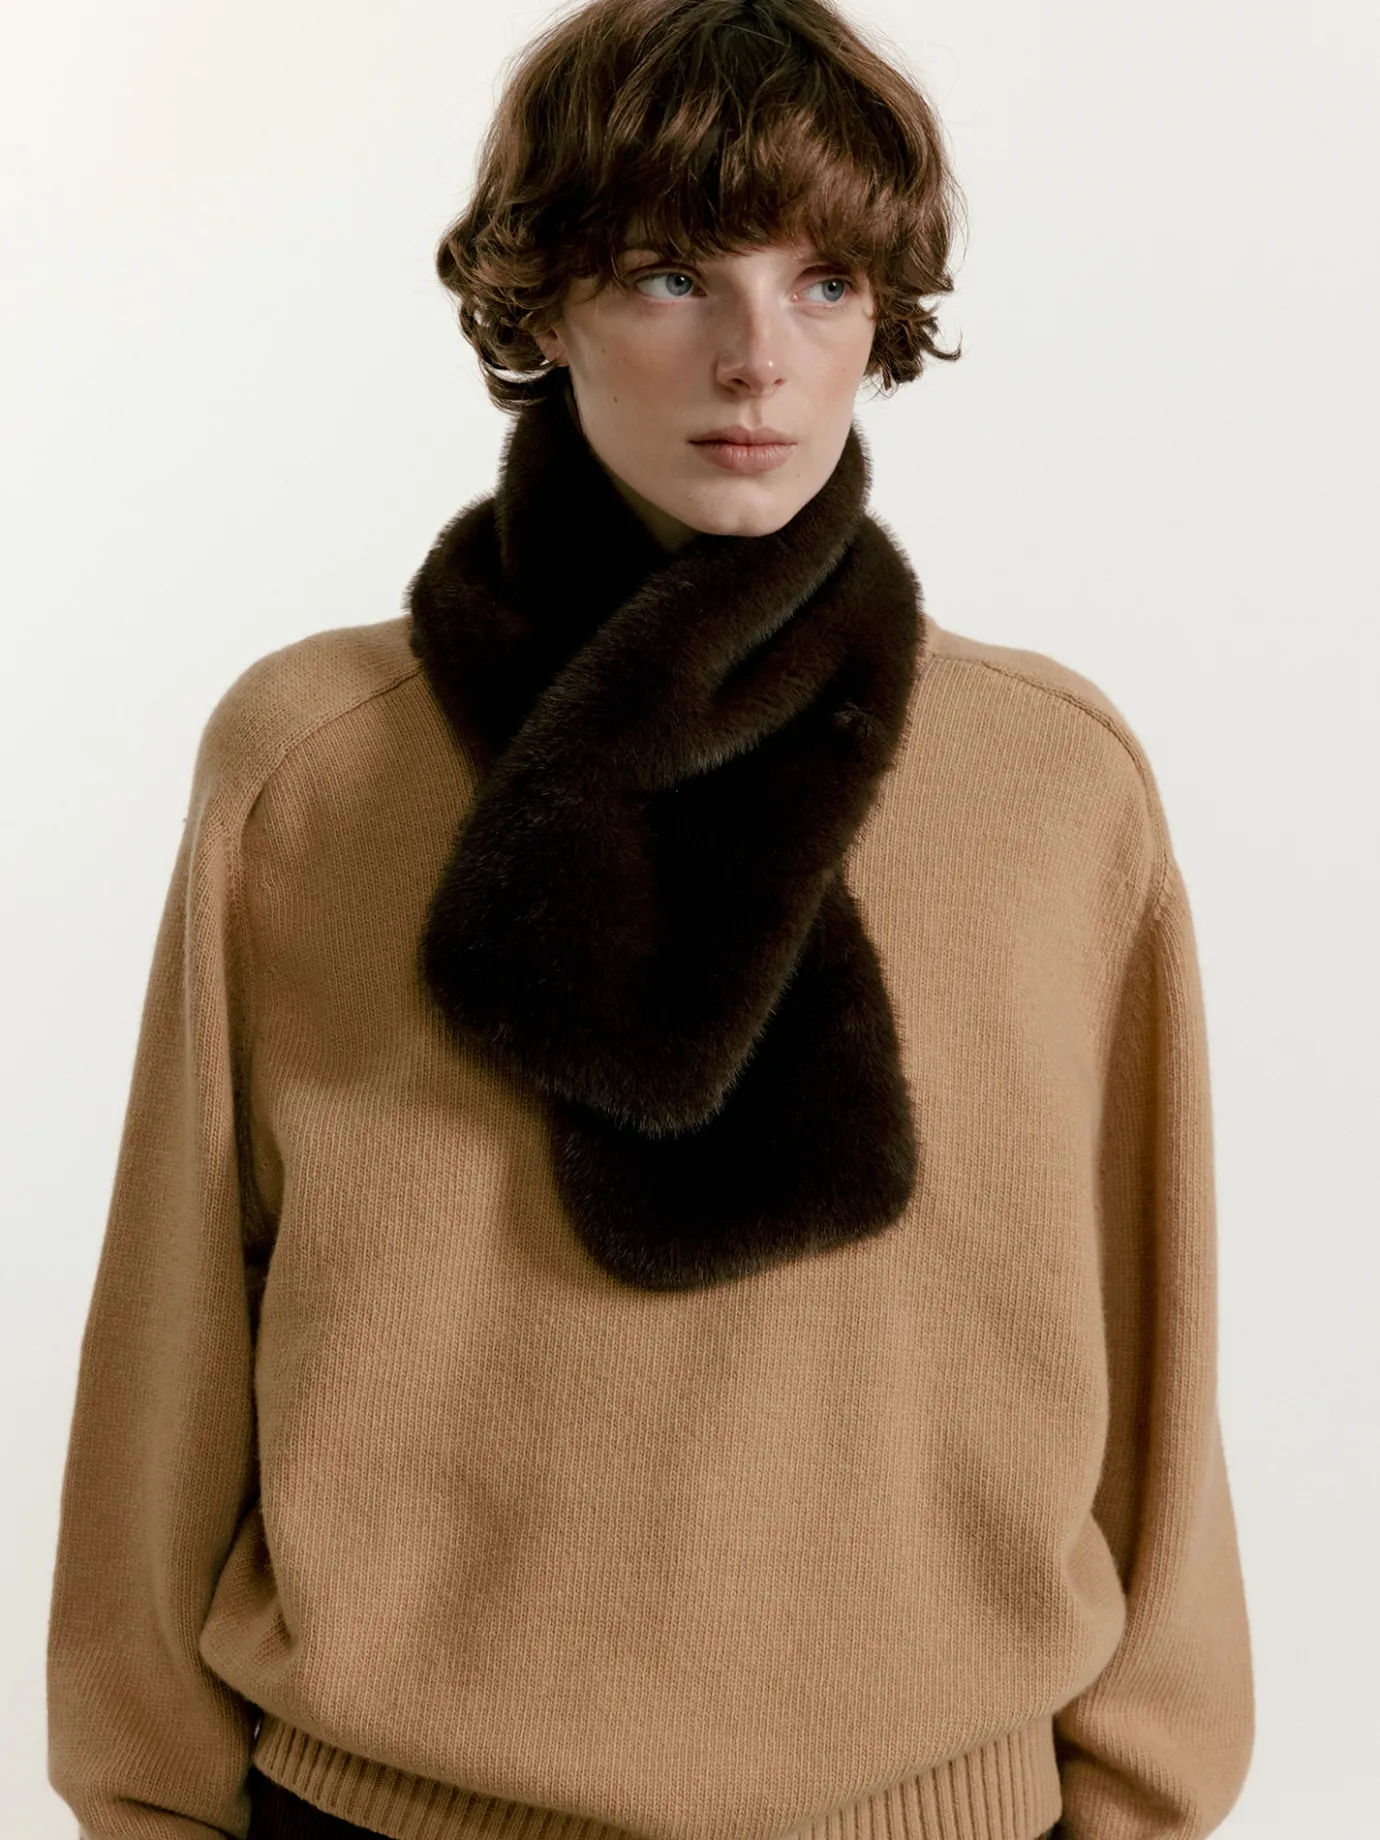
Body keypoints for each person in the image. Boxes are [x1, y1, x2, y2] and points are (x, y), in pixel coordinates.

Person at [45, 2, 1254, 1837]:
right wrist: (144, 1801)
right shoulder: (313, 766)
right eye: (673, 275)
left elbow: (1153, 1327)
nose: (758, 360)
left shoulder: (1052, 784)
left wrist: (1145, 1800)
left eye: (826, 282)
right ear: (542, 308)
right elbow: (176, 1323)